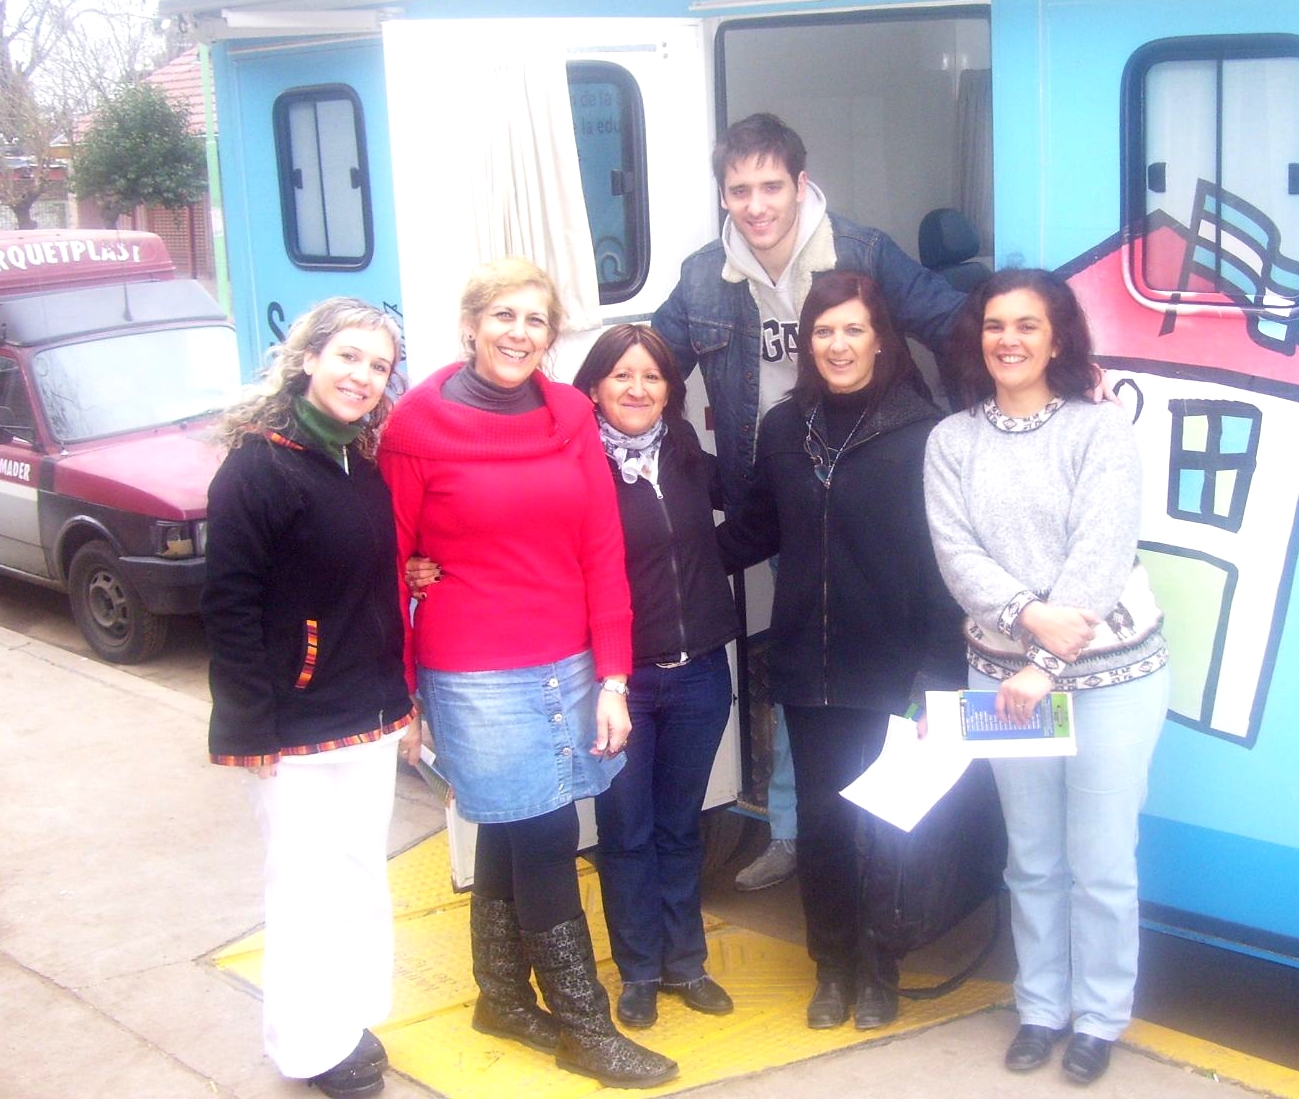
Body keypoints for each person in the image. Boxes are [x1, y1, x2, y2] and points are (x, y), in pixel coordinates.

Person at [378, 259, 676, 1089]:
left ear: (552, 336)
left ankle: (503, 997)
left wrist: (613, 676)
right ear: (470, 325)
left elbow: (601, 550)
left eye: (536, 320)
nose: (519, 333)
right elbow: (388, 563)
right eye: (503, 316)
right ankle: (585, 1028)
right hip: (473, 670)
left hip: (570, 660)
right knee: (545, 833)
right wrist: (403, 696)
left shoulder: (571, 414)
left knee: (516, 827)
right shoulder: (414, 427)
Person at [653, 112, 968, 890]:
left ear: (801, 184)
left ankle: (881, 852)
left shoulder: (861, 251)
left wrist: (989, 429)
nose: (756, 206)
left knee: (878, 664)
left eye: (771, 186)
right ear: (723, 195)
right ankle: (799, 833)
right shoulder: (703, 277)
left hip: (871, 474)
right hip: (780, 487)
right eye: (739, 190)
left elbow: (953, 325)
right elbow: (649, 367)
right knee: (805, 667)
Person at [923, 269, 1171, 1087]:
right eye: (995, 324)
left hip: (1113, 679)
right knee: (1030, 858)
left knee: (1101, 862)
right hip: (1004, 679)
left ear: (1057, 337)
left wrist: (1046, 665)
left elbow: (1101, 554)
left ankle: (1098, 1018)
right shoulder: (952, 442)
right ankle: (1040, 1008)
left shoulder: (1100, 431)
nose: (1009, 340)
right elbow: (957, 556)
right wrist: (1029, 623)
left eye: (1028, 325)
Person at [717, 270, 965, 1033]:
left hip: (895, 668)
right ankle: (832, 968)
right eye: (823, 331)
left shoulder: (923, 435)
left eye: (853, 329)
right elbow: (754, 530)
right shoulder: (786, 427)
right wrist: (663, 548)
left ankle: (880, 966)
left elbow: (945, 564)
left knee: (885, 826)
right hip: (808, 667)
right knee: (822, 825)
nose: (838, 344)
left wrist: (937, 671)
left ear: (881, 338)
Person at [203, 297, 416, 1099]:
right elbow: (229, 605)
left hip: (368, 712)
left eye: (378, 366)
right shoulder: (257, 468)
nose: (363, 376)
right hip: (292, 727)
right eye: (349, 357)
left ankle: (346, 1020)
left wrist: (400, 699)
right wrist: (250, 726)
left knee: (358, 873)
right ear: (308, 359)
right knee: (302, 888)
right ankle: (307, 1047)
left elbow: (359, 579)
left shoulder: (358, 462)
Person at [567, 325, 740, 1031]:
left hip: (700, 674)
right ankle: (638, 971)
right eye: (622, 376)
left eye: (652, 376)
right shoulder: (576, 466)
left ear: (671, 389)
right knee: (627, 831)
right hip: (620, 682)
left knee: (680, 826)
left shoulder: (689, 455)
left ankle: (686, 964)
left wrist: (706, 570)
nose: (637, 389)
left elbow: (759, 510)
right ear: (594, 388)